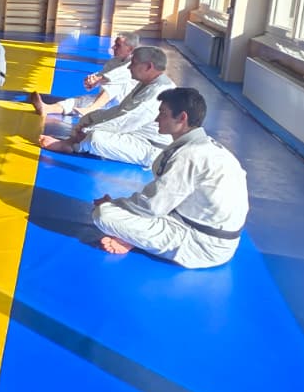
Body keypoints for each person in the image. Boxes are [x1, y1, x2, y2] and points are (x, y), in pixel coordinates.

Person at [90, 88, 249, 268]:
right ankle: (135, 237)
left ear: (182, 118)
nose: (157, 119)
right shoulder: (206, 147)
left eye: (163, 113)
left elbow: (152, 206)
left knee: (104, 214)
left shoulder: (190, 155)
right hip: (206, 231)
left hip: (201, 245)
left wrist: (114, 204)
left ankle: (135, 239)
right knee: (122, 211)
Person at [38, 46, 175, 167]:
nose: (129, 67)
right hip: (135, 131)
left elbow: (125, 122)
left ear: (148, 67)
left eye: (133, 63)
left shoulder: (157, 92)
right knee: (89, 117)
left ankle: (72, 146)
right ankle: (73, 141)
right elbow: (120, 110)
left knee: (95, 138)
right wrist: (91, 121)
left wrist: (88, 130)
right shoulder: (147, 83)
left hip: (149, 147)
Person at [32, 32, 139, 117]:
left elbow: (116, 75)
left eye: (118, 45)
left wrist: (98, 79)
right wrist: (91, 81)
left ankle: (91, 109)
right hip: (108, 101)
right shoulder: (114, 61)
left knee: (114, 85)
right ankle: (47, 109)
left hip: (127, 105)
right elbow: (102, 74)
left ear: (130, 49)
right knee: (78, 101)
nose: (114, 47)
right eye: (115, 44)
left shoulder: (135, 63)